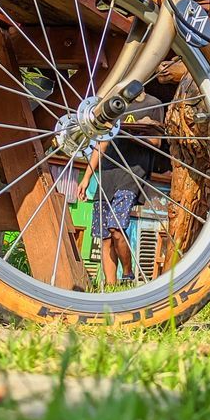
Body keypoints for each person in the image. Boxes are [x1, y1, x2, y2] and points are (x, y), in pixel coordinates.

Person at [77, 93, 163, 287]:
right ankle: (110, 287)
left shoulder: (153, 104)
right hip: (107, 172)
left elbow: (157, 142)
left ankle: (127, 273)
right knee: (105, 237)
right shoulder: (114, 103)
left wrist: (131, 133)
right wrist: (87, 178)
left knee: (116, 227)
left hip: (132, 172)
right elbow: (102, 143)